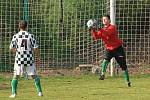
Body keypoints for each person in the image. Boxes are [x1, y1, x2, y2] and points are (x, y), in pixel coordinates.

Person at [90, 15, 131, 87]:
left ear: (109, 20)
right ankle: (102, 74)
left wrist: (99, 28)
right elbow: (96, 37)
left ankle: (127, 81)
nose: (104, 21)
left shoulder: (112, 27)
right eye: (103, 20)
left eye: (105, 19)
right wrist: (92, 29)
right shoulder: (102, 29)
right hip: (109, 49)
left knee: (123, 66)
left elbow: (107, 33)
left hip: (118, 49)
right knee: (105, 61)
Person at [9, 20, 43, 98]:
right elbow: (36, 48)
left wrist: (16, 52)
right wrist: (38, 57)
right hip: (29, 59)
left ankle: (14, 93)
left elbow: (11, 48)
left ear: (19, 26)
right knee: (34, 75)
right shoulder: (30, 36)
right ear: (26, 26)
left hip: (19, 59)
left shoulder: (16, 36)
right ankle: (40, 92)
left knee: (16, 76)